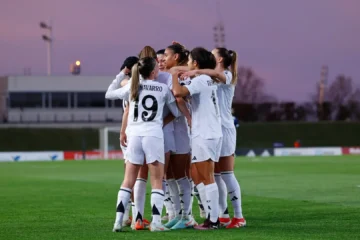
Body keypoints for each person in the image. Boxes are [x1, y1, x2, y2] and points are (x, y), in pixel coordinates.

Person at [108, 57, 180, 232]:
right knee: (157, 180)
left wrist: (121, 74)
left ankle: (118, 221)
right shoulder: (162, 88)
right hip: (153, 135)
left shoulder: (132, 87)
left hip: (134, 136)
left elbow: (109, 94)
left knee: (128, 180)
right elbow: (176, 112)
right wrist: (162, 121)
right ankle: (156, 223)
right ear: (154, 72)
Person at [182, 47, 246, 228]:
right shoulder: (209, 78)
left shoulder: (227, 74)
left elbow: (206, 71)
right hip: (214, 128)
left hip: (225, 128)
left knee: (226, 173)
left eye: (213, 53)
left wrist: (196, 70)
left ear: (219, 60)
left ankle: (239, 216)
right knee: (215, 174)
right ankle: (222, 214)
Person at [170, 47, 222, 230]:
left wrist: (174, 75)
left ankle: (214, 220)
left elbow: (178, 93)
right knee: (197, 174)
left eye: (190, 60)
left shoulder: (201, 80)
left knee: (206, 176)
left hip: (206, 133)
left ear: (196, 63)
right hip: (206, 132)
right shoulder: (205, 80)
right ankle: (210, 216)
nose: (188, 63)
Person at [163, 43, 195, 229]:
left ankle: (188, 216)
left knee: (182, 175)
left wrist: (188, 117)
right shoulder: (168, 75)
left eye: (166, 55)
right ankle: (176, 214)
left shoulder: (178, 74)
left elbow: (179, 98)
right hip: (170, 132)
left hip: (181, 130)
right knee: (171, 176)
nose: (163, 60)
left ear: (175, 57)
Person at [105, 56, 138, 227]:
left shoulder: (127, 84)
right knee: (148, 177)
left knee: (130, 176)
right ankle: (136, 216)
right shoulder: (135, 84)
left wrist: (120, 75)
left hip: (128, 132)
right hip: (140, 132)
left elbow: (109, 93)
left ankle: (126, 216)